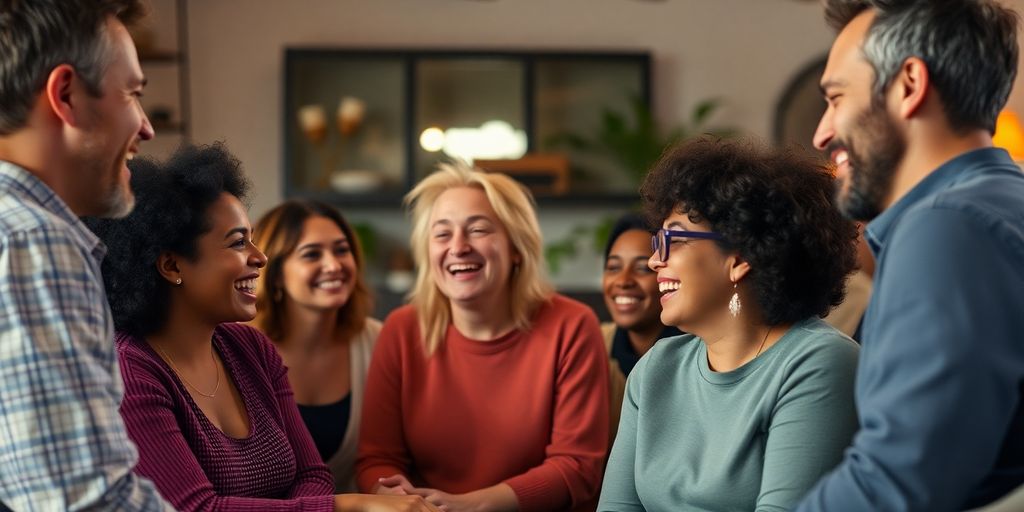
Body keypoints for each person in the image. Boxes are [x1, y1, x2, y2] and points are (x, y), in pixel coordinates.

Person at [86, 143, 437, 512]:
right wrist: (352, 507)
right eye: (238, 242)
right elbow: (198, 509)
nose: (260, 257)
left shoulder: (251, 348)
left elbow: (313, 474)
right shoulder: (131, 372)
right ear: (172, 266)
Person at [797, 1, 1024, 510]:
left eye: (836, 98)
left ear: (909, 85)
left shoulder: (949, 229)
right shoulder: (1001, 205)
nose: (822, 133)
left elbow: (895, 485)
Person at [598, 137, 860, 511]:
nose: (655, 260)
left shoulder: (819, 363)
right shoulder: (657, 368)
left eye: (673, 239)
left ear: (739, 257)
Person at [357, 161, 610, 512]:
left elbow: (577, 467)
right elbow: (376, 458)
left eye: (478, 230)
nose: (458, 247)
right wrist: (391, 495)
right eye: (442, 234)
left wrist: (467, 506)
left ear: (516, 248)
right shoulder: (401, 329)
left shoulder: (572, 326)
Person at [0, 0, 168, 509]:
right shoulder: (33, 242)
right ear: (67, 95)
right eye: (133, 95)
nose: (146, 128)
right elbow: (89, 501)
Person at [252, 200, 379, 492]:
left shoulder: (378, 342)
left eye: (342, 250)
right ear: (274, 272)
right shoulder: (237, 348)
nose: (334, 265)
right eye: (311, 254)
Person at [600, 213, 682, 440]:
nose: (623, 281)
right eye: (613, 267)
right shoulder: (591, 344)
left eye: (643, 268)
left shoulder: (698, 352)